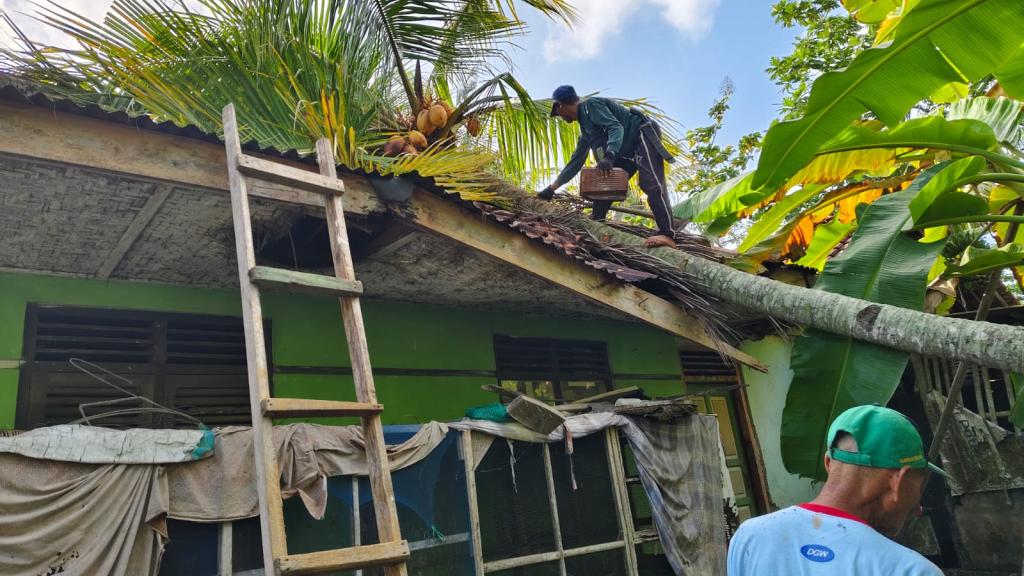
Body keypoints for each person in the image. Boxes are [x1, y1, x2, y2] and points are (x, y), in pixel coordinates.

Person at [727, 405, 948, 575]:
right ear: (897, 482)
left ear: (828, 462)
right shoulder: (911, 570)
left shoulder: (750, 536)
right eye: (918, 486)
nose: (918, 507)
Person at [537, 85, 678, 249]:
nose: (560, 117)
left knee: (650, 183)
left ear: (560, 105)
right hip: (625, 152)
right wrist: (551, 189)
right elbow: (575, 163)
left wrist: (610, 155)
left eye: (558, 113)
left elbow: (615, 127)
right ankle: (596, 226)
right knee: (604, 186)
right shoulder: (585, 132)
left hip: (642, 134)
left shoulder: (591, 105)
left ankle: (668, 234)